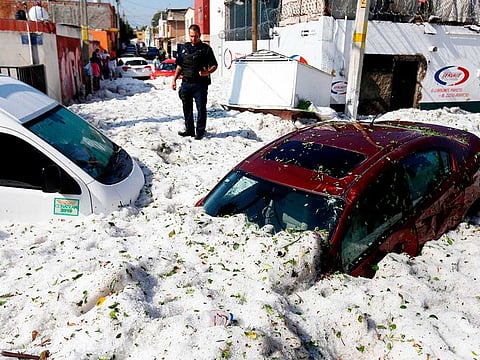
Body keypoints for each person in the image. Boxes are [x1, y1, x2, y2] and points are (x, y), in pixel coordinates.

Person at [172, 24, 218, 140]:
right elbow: (179, 66)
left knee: (201, 108)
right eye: (191, 36)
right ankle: (189, 130)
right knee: (186, 108)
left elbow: (214, 65)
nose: (193, 39)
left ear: (200, 35)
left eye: (196, 36)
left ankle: (200, 131)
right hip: (186, 83)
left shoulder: (206, 49)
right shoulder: (183, 48)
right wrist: (174, 79)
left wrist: (206, 72)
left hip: (200, 85)